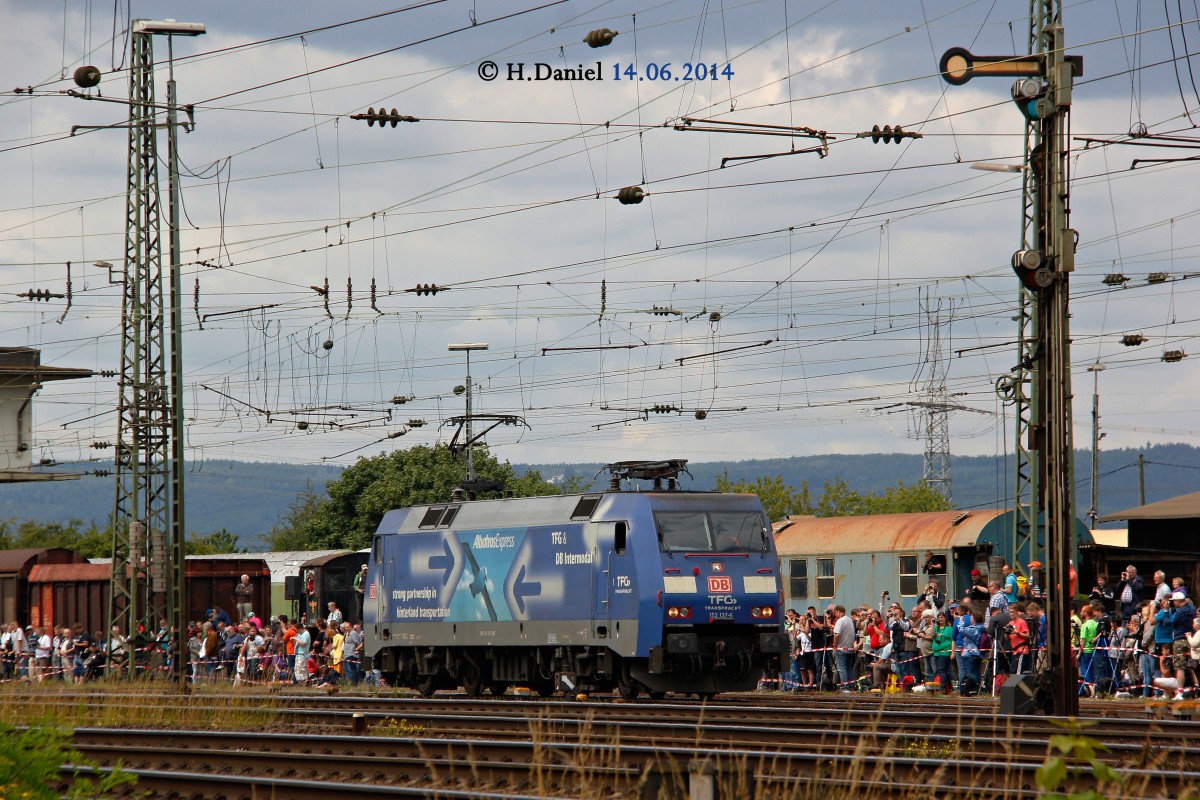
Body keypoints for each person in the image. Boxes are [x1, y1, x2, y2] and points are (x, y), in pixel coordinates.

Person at [832, 605, 856, 691]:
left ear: (838, 611)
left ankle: (844, 686)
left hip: (841, 648)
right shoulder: (850, 620)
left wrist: (835, 644)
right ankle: (851, 685)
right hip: (850, 648)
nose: (835, 615)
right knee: (849, 668)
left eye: (835, 613)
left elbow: (837, 634)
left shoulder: (840, 621)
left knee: (841, 668)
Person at [931, 611, 954, 692]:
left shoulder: (949, 629)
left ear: (945, 618)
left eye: (942, 617)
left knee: (942, 670)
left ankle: (942, 688)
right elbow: (931, 635)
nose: (940, 619)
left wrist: (952, 652)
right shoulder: (935, 628)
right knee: (940, 670)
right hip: (936, 652)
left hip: (945, 652)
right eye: (939, 617)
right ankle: (949, 686)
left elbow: (952, 640)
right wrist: (932, 624)